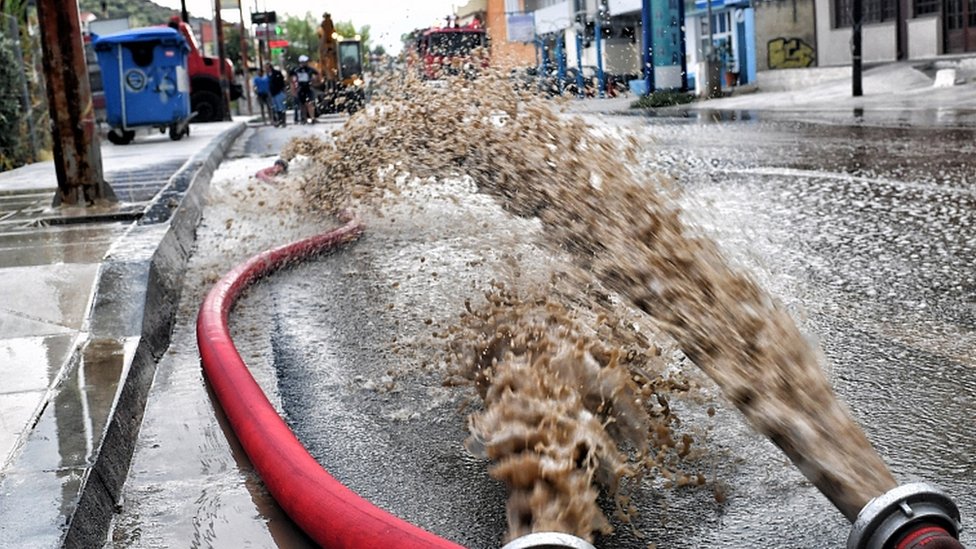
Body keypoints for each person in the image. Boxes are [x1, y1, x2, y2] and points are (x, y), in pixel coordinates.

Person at [289, 54, 319, 124]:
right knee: (302, 104)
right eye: (303, 62)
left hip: (308, 87)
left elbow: (317, 74)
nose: (304, 63)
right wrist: (293, 86)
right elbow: (290, 76)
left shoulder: (310, 69)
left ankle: (312, 117)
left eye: (305, 62)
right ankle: (304, 118)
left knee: (310, 103)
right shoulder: (296, 70)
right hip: (300, 88)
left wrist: (315, 81)